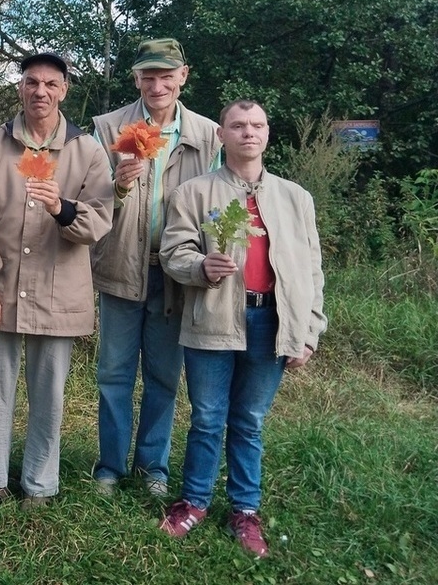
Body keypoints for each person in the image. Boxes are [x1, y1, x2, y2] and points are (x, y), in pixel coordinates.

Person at [158, 99, 326, 557]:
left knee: (249, 421)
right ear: (221, 135)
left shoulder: (296, 198)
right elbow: (173, 253)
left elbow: (311, 270)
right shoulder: (194, 193)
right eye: (237, 125)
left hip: (271, 321)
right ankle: (193, 502)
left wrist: (308, 329)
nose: (248, 132)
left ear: (267, 133)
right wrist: (200, 265)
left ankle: (245, 511)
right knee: (207, 418)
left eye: (257, 125)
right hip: (213, 318)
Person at [0, 52, 113, 510]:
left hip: (59, 291)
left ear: (64, 90)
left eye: (50, 83)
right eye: (31, 82)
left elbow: (99, 219)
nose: (40, 91)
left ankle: (40, 486)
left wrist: (61, 208)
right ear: (20, 88)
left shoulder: (86, 150)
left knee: (49, 393)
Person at [90, 38, 222, 496]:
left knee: (164, 376)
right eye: (149, 75)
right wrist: (116, 184)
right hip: (120, 266)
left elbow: (219, 204)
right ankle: (109, 467)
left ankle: (154, 469)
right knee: (114, 375)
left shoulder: (208, 135)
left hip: (176, 275)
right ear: (137, 79)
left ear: (183, 75)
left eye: (167, 75)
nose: (158, 84)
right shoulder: (108, 128)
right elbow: (87, 199)